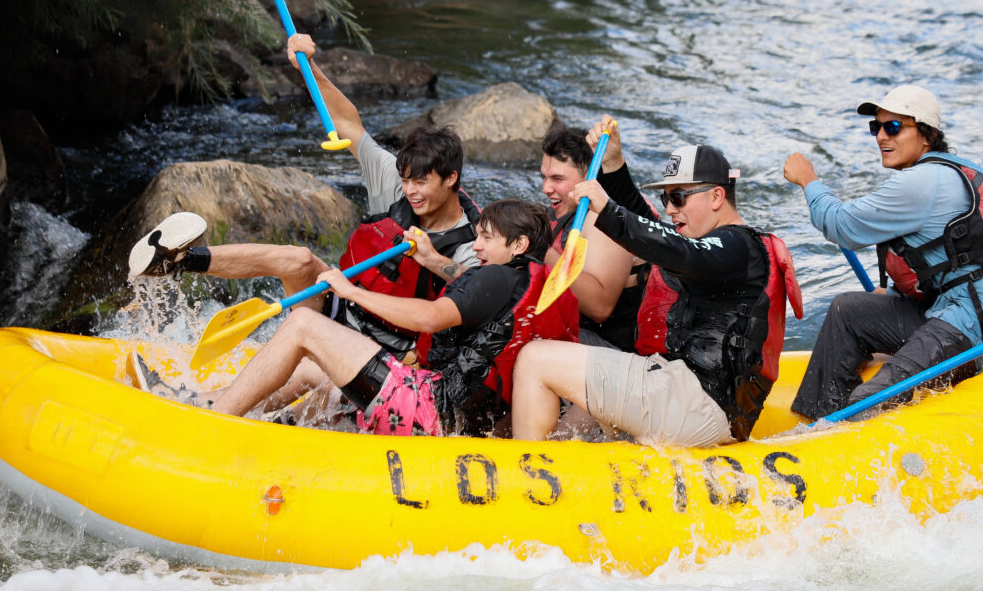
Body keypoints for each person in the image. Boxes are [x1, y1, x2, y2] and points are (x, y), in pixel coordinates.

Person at [174, 200, 578, 436]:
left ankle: (213, 424)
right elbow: (467, 289)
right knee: (316, 365)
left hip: (428, 410)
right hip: (460, 419)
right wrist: (432, 260)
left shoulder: (494, 277)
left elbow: (430, 318)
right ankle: (213, 403)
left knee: (305, 326)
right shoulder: (529, 282)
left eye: (486, 238)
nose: (477, 245)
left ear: (519, 243)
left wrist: (351, 292)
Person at [512, 141, 802, 447]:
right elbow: (652, 228)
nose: (669, 208)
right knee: (577, 420)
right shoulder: (712, 245)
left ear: (717, 196)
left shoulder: (737, 246)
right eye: (665, 197)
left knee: (535, 358)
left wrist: (608, 210)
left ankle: (526, 478)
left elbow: (680, 251)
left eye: (678, 197)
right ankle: (559, 466)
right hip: (702, 405)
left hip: (694, 404)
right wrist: (614, 166)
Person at [128, 124, 482, 364]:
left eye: (419, 182)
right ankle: (180, 261)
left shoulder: (473, 240)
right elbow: (348, 123)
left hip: (388, 349)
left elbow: (486, 292)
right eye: (406, 181)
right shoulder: (401, 182)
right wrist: (308, 65)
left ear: (451, 178)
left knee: (306, 342)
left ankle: (205, 404)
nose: (410, 191)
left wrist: (433, 259)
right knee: (297, 259)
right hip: (343, 309)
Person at [782, 84, 983, 420]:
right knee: (846, 310)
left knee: (866, 405)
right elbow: (950, 262)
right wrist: (894, 293)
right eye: (876, 127)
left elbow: (843, 227)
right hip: (951, 309)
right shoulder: (947, 173)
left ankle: (841, 427)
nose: (881, 136)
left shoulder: (922, 182)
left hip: (974, 329)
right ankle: (817, 421)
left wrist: (809, 181)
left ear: (927, 135)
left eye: (893, 127)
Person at [539, 119, 654, 349]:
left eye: (558, 179)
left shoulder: (607, 216)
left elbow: (600, 307)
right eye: (544, 176)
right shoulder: (567, 212)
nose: (546, 188)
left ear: (589, 176)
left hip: (617, 352)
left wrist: (540, 249)